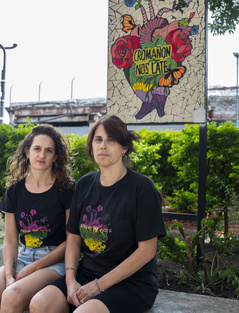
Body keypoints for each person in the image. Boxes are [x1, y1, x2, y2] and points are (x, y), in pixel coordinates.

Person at [30, 115, 166, 313]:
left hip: (131, 283)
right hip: (87, 274)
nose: (103, 146)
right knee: (40, 303)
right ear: (92, 146)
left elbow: (147, 251)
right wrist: (70, 281)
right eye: (98, 139)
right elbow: (74, 240)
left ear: (124, 147)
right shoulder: (84, 185)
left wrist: (99, 285)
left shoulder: (143, 189)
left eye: (111, 140)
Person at [0, 124, 74, 313]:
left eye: (49, 150)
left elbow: (71, 242)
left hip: (54, 262)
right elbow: (9, 240)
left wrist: (33, 269)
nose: (42, 155)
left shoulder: (65, 190)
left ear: (56, 156)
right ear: (27, 151)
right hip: (23, 258)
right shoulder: (14, 191)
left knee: (12, 295)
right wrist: (9, 274)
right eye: (37, 149)